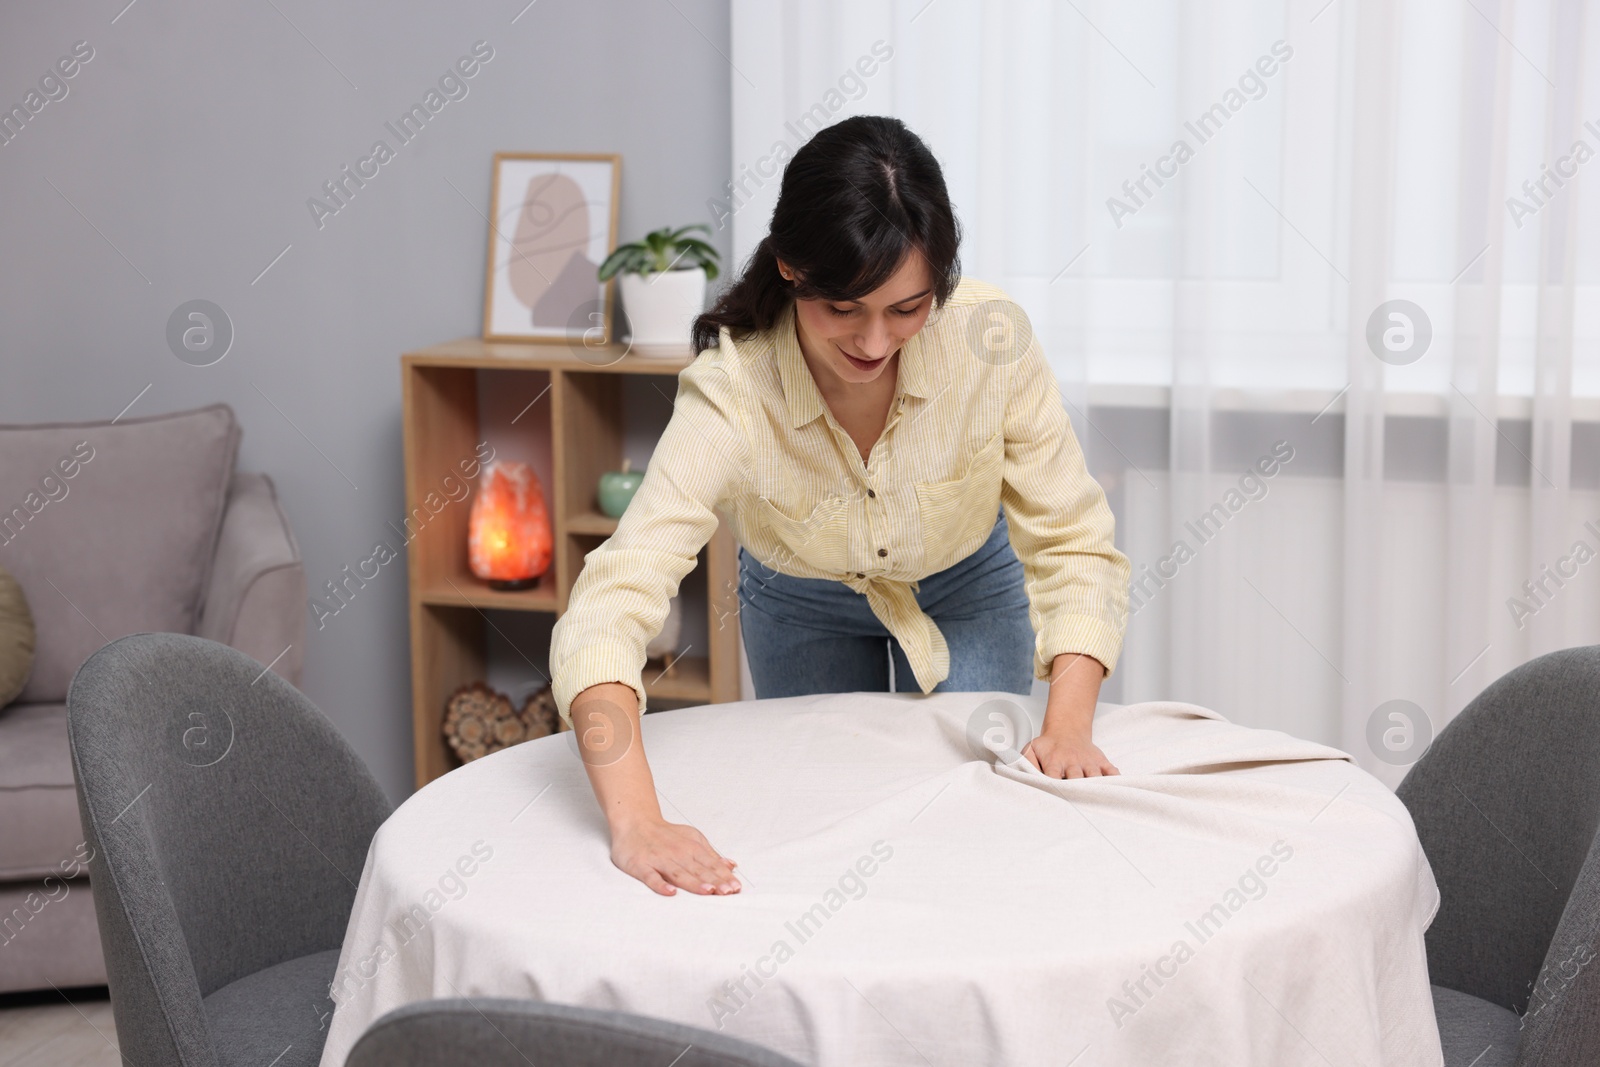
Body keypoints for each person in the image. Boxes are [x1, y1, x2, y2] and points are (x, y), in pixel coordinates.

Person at [547, 114, 1131, 899]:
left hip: (968, 584)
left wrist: (1067, 728)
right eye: (844, 309)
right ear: (792, 269)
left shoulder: (991, 340)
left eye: (907, 308)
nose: (875, 341)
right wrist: (637, 822)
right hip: (800, 600)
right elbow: (612, 602)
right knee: (828, 837)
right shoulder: (734, 389)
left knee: (981, 830)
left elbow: (1074, 539)